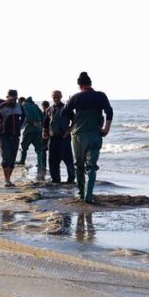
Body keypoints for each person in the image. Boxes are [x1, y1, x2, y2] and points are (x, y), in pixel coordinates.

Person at [62, 71, 113, 204]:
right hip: (95, 135)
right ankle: (89, 195)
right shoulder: (101, 96)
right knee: (91, 166)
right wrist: (106, 129)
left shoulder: (76, 97)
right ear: (90, 84)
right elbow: (109, 111)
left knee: (79, 165)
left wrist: (74, 117)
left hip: (78, 136)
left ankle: (81, 193)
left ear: (79, 86)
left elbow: (64, 112)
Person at [43, 91, 75, 184]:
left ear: (61, 97)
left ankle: (71, 179)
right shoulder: (49, 109)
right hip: (52, 138)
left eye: (58, 97)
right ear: (52, 97)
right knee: (52, 160)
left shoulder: (66, 108)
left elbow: (75, 121)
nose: (56, 99)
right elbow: (46, 122)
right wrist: (44, 132)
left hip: (64, 138)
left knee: (68, 159)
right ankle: (55, 180)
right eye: (54, 97)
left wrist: (68, 131)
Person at [0, 90, 25, 187]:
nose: (13, 100)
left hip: (16, 136)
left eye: (15, 98)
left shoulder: (19, 106)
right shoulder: (0, 107)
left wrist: (21, 126)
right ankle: (6, 180)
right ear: (7, 97)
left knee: (12, 159)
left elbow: (24, 117)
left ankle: (8, 179)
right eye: (11, 98)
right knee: (6, 158)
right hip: (3, 136)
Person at [17, 95, 46, 169]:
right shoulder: (35, 105)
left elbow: (25, 117)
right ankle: (40, 164)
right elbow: (42, 116)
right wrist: (42, 126)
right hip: (38, 130)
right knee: (39, 148)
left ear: (20, 101)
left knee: (23, 146)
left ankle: (22, 161)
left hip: (28, 130)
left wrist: (20, 127)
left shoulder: (23, 105)